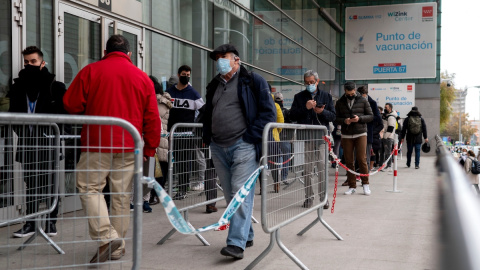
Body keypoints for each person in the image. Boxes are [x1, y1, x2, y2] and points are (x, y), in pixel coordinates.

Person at [63, 35, 161, 263]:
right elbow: (153, 118)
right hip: (130, 145)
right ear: (128, 54)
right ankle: (116, 248)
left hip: (97, 143)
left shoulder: (91, 71)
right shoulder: (142, 77)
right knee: (121, 196)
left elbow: (71, 104)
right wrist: (150, 149)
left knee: (89, 188)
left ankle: (107, 237)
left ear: (106, 51)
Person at [203, 44, 276, 259]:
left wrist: (249, 136)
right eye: (217, 58)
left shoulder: (253, 81)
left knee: (239, 192)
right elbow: (209, 112)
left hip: (242, 144)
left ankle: (236, 244)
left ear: (236, 60)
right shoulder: (214, 85)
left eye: (223, 57)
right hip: (218, 146)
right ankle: (246, 234)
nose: (219, 61)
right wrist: (207, 137)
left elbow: (268, 113)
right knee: (229, 193)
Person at [9, 46, 67, 238]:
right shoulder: (18, 87)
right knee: (31, 184)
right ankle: (31, 223)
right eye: (26, 62)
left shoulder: (54, 86)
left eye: (33, 61)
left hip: (48, 141)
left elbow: (63, 114)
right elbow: (13, 114)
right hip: (27, 142)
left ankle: (51, 222)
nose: (29, 65)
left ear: (42, 63)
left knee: (51, 183)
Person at [290, 70, 335, 208]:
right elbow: (292, 115)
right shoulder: (299, 97)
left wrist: (322, 112)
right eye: (307, 82)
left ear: (317, 81)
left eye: (312, 82)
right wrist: (306, 107)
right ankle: (309, 197)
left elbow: (333, 116)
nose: (309, 84)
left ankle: (323, 198)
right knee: (308, 169)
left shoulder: (326, 96)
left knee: (322, 167)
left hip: (321, 137)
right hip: (307, 137)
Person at [166, 65, 205, 200]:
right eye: (184, 74)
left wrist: (197, 127)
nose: (186, 76)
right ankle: (168, 188)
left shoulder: (193, 94)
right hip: (171, 134)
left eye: (188, 74)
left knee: (183, 162)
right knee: (174, 162)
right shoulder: (169, 92)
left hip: (187, 134)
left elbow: (203, 111)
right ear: (178, 75)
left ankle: (183, 188)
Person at [334, 82, 373, 196]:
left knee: (362, 159)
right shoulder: (340, 102)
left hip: (360, 133)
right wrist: (344, 121)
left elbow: (371, 116)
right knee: (349, 160)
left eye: (353, 93)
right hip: (346, 134)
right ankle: (352, 186)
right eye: (348, 93)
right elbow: (336, 118)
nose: (351, 95)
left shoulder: (363, 100)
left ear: (355, 90)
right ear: (345, 91)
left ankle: (366, 184)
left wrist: (359, 118)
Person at [149, 75, 172, 205]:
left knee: (159, 169)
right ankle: (153, 195)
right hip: (155, 138)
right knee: (153, 168)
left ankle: (157, 194)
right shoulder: (155, 100)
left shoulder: (161, 102)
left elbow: (154, 114)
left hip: (160, 139)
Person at [357, 86, 383, 171]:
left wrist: (365, 118)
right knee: (357, 155)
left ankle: (365, 176)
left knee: (366, 155)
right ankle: (356, 174)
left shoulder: (372, 103)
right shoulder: (355, 101)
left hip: (367, 132)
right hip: (356, 131)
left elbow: (378, 118)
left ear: (365, 94)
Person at [274, 92, 293, 183]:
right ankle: (284, 177)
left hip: (274, 138)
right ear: (282, 101)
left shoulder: (271, 110)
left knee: (274, 158)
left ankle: (276, 179)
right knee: (286, 157)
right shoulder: (286, 111)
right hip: (285, 137)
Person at [380, 103, 396, 171]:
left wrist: (385, 137)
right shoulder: (388, 116)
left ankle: (389, 166)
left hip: (388, 137)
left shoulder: (391, 117)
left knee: (388, 153)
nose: (385, 109)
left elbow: (390, 128)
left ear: (390, 108)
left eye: (386, 107)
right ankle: (387, 165)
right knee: (387, 152)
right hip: (387, 137)